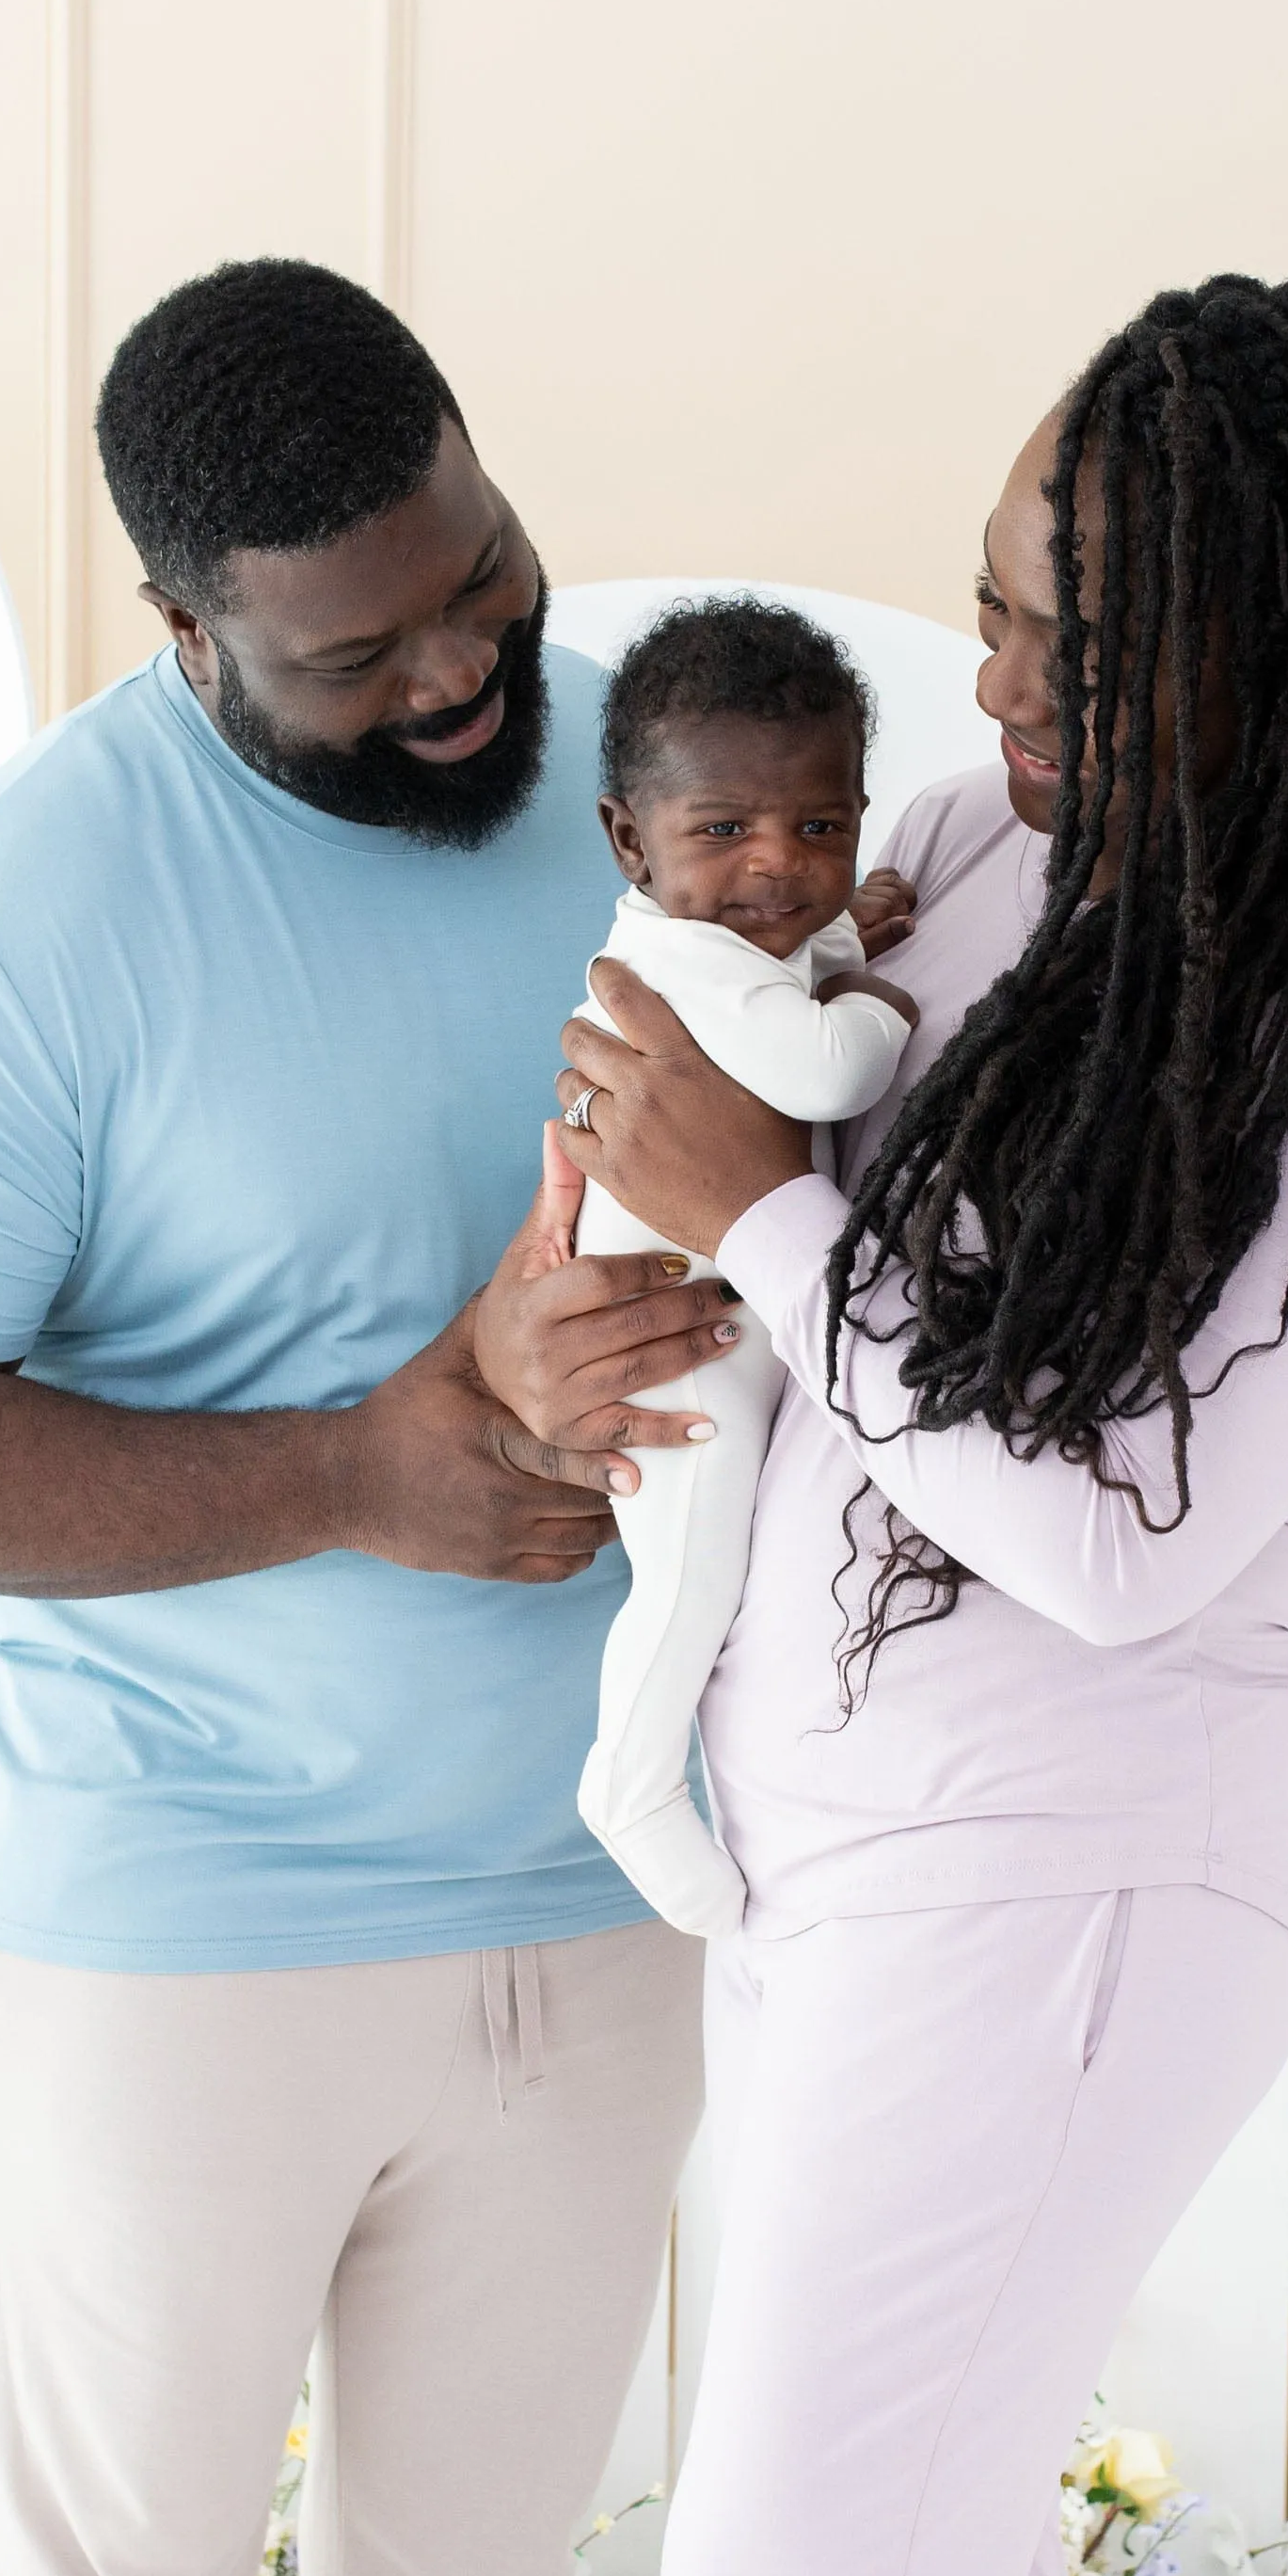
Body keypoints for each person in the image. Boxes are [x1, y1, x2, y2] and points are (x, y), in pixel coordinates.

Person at [492, 274, 1288, 2576]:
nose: (988, 695)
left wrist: (764, 1200)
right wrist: (599, 1280)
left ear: (1260, 652)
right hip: (839, 1832)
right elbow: (827, 1263)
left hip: (1060, 1873)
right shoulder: (978, 845)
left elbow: (1118, 1537)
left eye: (1067, 654)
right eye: (988, 616)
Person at [0, 258, 752, 2576]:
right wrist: (359, 1471)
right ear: (191, 634)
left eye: (479, 579)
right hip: (166, 1942)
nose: (453, 677)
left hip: (606, 1903)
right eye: (357, 656)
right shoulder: (33, 921)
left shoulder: (668, 800)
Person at [565, 596, 917, 1936]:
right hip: (677, 1351)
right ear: (629, 837)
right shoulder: (679, 962)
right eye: (723, 831)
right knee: (694, 1574)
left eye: (820, 828)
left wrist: (849, 933)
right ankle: (632, 1787)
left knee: (739, 1577)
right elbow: (817, 1061)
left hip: (737, 1332)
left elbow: (808, 949)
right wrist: (878, 999)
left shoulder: (740, 932)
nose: (776, 866)